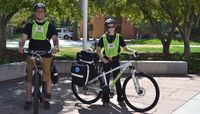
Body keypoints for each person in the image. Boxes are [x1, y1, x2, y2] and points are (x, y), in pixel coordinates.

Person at [18, 2, 59, 110]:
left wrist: (56, 46)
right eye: (38, 11)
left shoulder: (50, 26)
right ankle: (28, 100)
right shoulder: (29, 26)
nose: (40, 13)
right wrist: (21, 46)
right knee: (29, 78)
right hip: (32, 54)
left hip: (46, 54)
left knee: (47, 76)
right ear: (35, 13)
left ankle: (46, 99)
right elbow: (23, 38)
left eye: (42, 11)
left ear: (44, 13)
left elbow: (55, 38)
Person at [96, 17, 135, 107]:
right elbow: (97, 50)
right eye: (109, 27)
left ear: (115, 27)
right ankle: (105, 99)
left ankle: (120, 99)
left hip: (115, 60)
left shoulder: (119, 37)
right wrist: (103, 59)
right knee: (106, 81)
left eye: (112, 26)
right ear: (107, 28)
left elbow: (125, 48)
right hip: (106, 61)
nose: (110, 28)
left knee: (117, 80)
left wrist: (133, 51)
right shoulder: (103, 38)